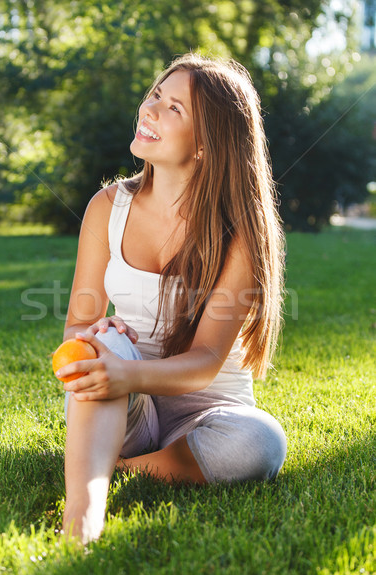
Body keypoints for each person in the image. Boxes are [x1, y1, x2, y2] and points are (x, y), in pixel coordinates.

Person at [55, 53, 287, 544]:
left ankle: (123, 465)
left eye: (173, 108)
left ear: (206, 145)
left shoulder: (237, 233)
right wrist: (95, 341)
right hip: (127, 400)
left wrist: (124, 373)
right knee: (105, 347)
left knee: (262, 442)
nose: (150, 109)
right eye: (155, 95)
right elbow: (77, 326)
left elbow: (204, 362)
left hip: (206, 412)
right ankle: (83, 511)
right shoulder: (107, 208)